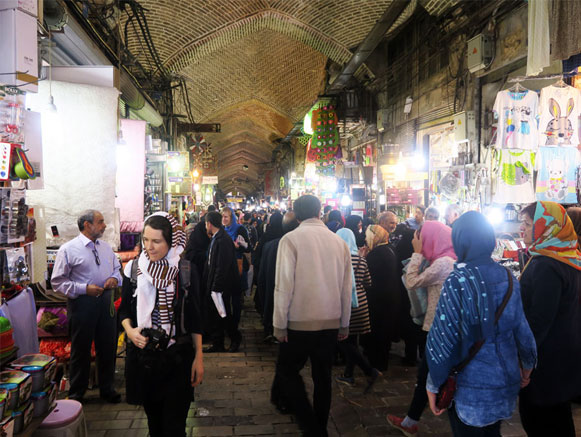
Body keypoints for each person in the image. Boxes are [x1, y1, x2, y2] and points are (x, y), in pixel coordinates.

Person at [425, 211, 537, 436]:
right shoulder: (509, 278)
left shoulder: (458, 281)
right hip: (505, 380)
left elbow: (443, 340)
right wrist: (527, 365)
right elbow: (522, 329)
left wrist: (433, 384)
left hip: (470, 387)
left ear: (459, 241)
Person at [273, 195, 352, 437]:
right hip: (329, 322)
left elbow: (284, 286)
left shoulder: (291, 240)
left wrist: (279, 324)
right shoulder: (339, 242)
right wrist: (344, 323)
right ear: (320, 212)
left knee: (287, 372)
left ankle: (310, 425)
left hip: (299, 323)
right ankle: (320, 426)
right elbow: (346, 287)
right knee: (323, 378)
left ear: (296, 215)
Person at [119, 213, 204, 437]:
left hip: (178, 358)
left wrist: (199, 357)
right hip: (146, 359)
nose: (149, 247)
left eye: (156, 241)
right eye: (145, 240)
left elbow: (195, 318)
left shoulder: (185, 271)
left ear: (171, 241)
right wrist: (130, 331)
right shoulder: (134, 270)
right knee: (154, 425)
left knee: (174, 427)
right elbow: (124, 310)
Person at [387, 221, 456, 436]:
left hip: (437, 327)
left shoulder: (444, 263)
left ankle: (411, 422)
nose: (419, 241)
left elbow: (411, 281)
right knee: (430, 375)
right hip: (442, 326)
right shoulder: (449, 259)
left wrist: (417, 253)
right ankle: (412, 420)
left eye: (422, 237)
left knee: (428, 376)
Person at [518, 201, 581, 437]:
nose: (520, 229)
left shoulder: (547, 264)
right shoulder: (567, 257)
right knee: (558, 418)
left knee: (541, 420)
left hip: (546, 361)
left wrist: (525, 363)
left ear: (547, 226)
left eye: (526, 224)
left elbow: (539, 320)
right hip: (562, 353)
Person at [51, 210, 122, 403]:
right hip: (82, 304)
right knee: (81, 349)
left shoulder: (106, 248)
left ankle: (107, 388)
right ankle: (76, 393)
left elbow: (117, 270)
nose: (104, 225)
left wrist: (114, 279)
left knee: (107, 347)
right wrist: (84, 289)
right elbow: (57, 282)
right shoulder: (68, 249)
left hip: (106, 302)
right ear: (86, 225)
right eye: (100, 222)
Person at [335, 228, 381, 392]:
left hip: (345, 304)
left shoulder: (338, 258)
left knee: (342, 340)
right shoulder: (361, 260)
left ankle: (369, 370)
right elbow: (368, 282)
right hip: (361, 304)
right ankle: (349, 374)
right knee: (352, 341)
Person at [203, 211, 242, 353]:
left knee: (223, 313)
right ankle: (217, 343)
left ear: (210, 223)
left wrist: (216, 287)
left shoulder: (222, 240)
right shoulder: (217, 237)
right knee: (217, 315)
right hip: (215, 284)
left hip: (222, 286)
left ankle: (235, 337)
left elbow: (222, 266)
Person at [363, 224, 399, 371]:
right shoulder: (389, 249)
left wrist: (363, 258)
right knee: (384, 331)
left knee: (378, 332)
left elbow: (368, 276)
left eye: (367, 236)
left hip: (378, 299)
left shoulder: (376, 253)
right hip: (390, 297)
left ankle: (376, 365)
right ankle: (380, 363)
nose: (365, 239)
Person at [259, 211, 299, 343]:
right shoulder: (296, 245)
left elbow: (261, 270)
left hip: (272, 284)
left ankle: (270, 330)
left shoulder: (269, 244)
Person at [221, 207, 250, 351]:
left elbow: (247, 247)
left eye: (227, 217)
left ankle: (235, 322)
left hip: (237, 267)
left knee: (236, 298)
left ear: (232, 217)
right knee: (225, 298)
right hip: (225, 268)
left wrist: (237, 246)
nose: (224, 219)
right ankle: (229, 325)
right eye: (223, 217)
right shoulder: (222, 231)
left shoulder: (240, 229)